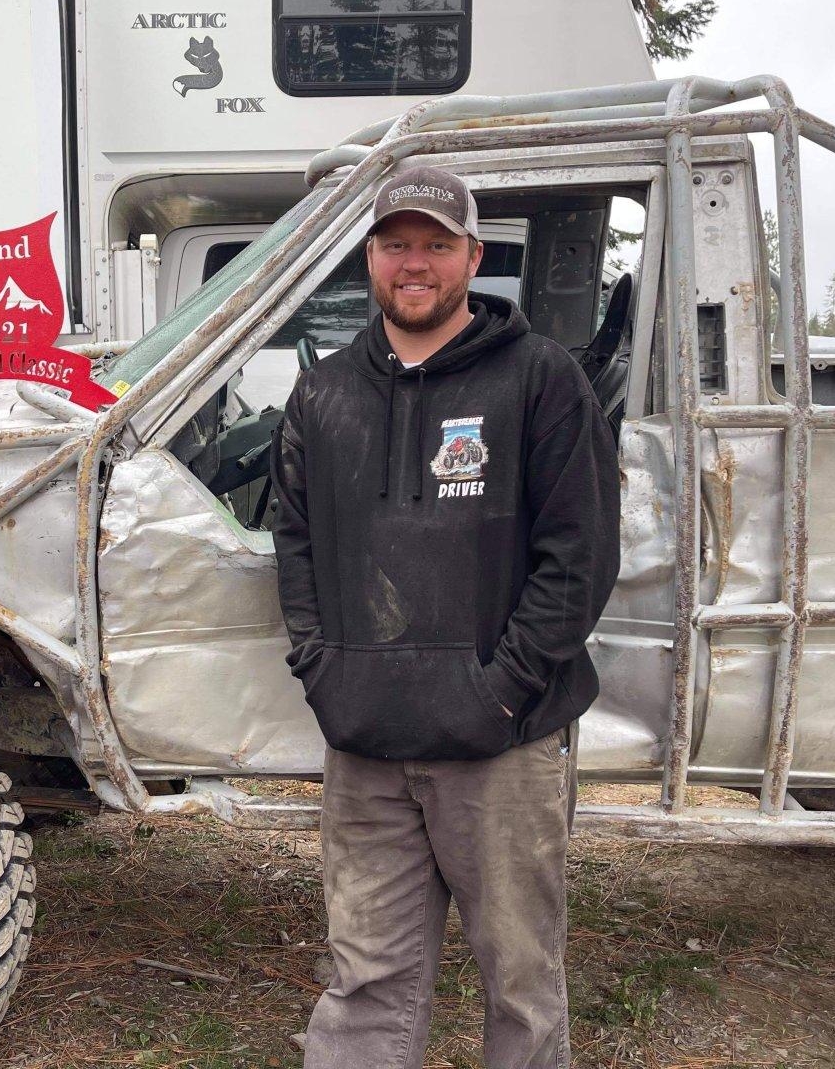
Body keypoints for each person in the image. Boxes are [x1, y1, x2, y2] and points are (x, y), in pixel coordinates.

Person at [272, 166, 621, 1069]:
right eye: (397, 244)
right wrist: (323, 670)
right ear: (370, 257)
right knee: (365, 977)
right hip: (366, 744)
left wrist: (501, 692)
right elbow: (295, 546)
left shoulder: (541, 379)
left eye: (436, 243)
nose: (415, 263)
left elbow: (580, 557)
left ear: (473, 256)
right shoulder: (323, 394)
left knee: (521, 979)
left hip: (502, 746)